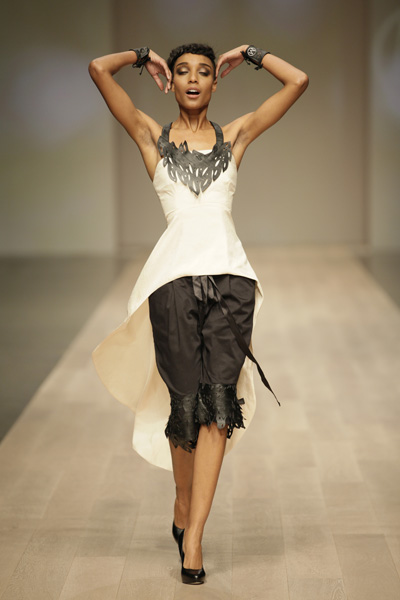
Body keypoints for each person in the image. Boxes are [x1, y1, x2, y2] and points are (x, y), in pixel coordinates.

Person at [89, 43, 308, 585]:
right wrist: (141, 55)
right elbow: (97, 69)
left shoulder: (235, 136)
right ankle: (183, 500)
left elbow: (298, 82)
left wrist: (250, 53)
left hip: (232, 280)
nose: (192, 79)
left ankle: (195, 538)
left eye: (204, 72)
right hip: (171, 283)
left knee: (218, 407)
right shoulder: (152, 137)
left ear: (215, 82)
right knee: (184, 406)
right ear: (171, 80)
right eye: (183, 71)